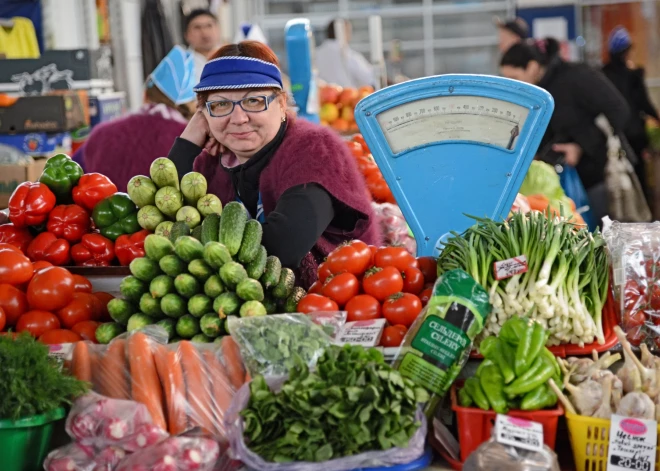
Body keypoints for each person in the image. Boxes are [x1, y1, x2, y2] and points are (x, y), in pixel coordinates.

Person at [167, 41, 381, 287]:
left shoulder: (313, 148)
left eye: (254, 101)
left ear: (281, 104)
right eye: (220, 104)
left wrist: (188, 245)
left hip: (332, 307)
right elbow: (161, 217)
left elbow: (283, 247)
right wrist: (187, 143)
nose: (238, 118)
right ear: (203, 113)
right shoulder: (211, 162)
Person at [500, 38, 630, 223]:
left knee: (600, 232)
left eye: (514, 78)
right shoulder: (538, 92)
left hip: (597, 176)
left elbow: (619, 110)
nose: (514, 86)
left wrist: (580, 146)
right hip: (560, 180)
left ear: (532, 66)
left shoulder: (577, 76)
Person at [73, 46, 196, 192]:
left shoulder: (102, 133)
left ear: (145, 94)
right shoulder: (191, 141)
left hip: (103, 213)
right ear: (193, 104)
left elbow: (71, 173)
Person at [602, 26, 659, 201]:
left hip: (612, 133)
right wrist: (656, 117)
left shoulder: (603, 73)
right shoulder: (634, 74)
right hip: (635, 133)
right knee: (639, 173)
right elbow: (643, 102)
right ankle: (641, 209)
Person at [315, 19, 375, 89]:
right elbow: (368, 79)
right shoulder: (349, 54)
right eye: (349, 31)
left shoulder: (315, 54)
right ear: (343, 32)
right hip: (349, 97)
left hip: (323, 97)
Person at [184, 9, 221, 83]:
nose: (205, 33)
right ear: (186, 35)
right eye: (197, 27)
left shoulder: (231, 58)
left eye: (209, 26)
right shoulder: (182, 64)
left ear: (218, 29)